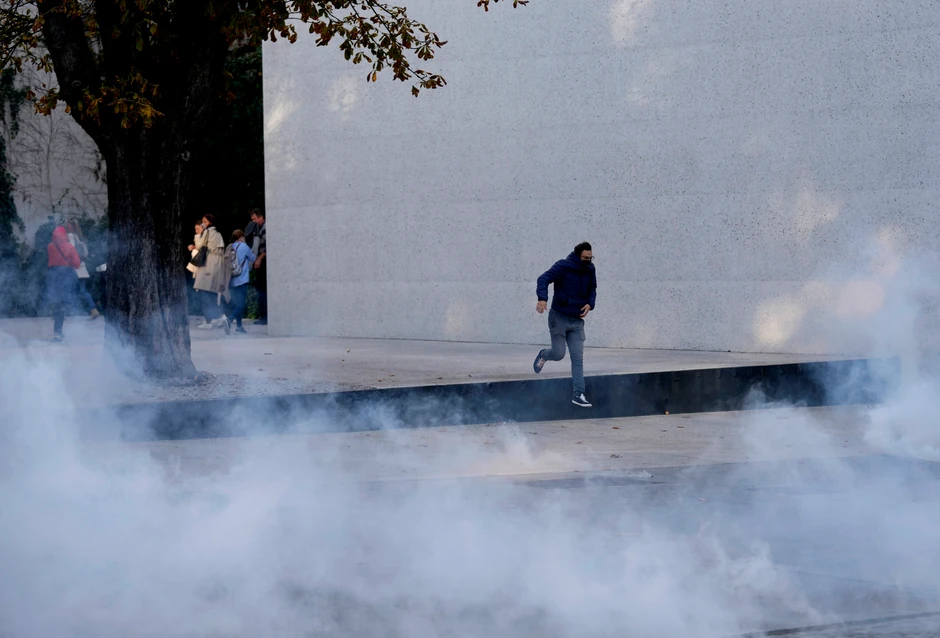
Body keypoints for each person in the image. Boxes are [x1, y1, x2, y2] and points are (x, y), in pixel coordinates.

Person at [532, 241, 597, 408]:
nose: (588, 261)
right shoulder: (564, 266)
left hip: (576, 321)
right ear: (577, 256)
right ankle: (543, 355)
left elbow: (593, 288)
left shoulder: (590, 269)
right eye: (585, 258)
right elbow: (543, 278)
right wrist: (542, 298)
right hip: (559, 318)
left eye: (590, 258)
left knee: (578, 359)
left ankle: (578, 394)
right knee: (559, 353)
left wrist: (590, 303)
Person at [191, 214, 229, 332]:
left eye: (205, 222)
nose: (203, 224)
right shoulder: (218, 233)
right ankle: (217, 318)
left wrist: (198, 234)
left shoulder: (207, 232)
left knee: (203, 290)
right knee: (211, 291)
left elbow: (199, 245)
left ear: (210, 223)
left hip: (209, 263)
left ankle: (218, 316)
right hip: (217, 264)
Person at [46, 226, 81, 342]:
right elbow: (77, 264)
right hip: (66, 276)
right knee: (65, 303)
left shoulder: (50, 246)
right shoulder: (70, 247)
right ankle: (59, 330)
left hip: (53, 277)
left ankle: (57, 330)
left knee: (57, 302)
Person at [65, 219, 100, 320]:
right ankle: (93, 310)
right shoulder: (80, 238)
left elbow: (70, 250)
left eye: (68, 225)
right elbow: (86, 253)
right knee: (82, 290)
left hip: (74, 267)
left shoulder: (71, 236)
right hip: (82, 266)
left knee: (70, 290)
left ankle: (70, 312)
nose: (67, 226)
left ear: (72, 227)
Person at [224, 229, 256, 334]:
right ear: (241, 237)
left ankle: (239, 327)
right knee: (241, 304)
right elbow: (253, 258)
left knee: (238, 303)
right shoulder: (244, 246)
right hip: (242, 279)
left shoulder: (229, 247)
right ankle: (229, 320)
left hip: (232, 280)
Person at [246, 208, 267, 325]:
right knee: (259, 288)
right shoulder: (258, 229)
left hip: (262, 261)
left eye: (255, 219)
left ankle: (265, 316)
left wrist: (259, 259)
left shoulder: (264, 229)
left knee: (262, 288)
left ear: (261, 217)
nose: (253, 222)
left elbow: (268, 246)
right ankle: (262, 315)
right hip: (259, 261)